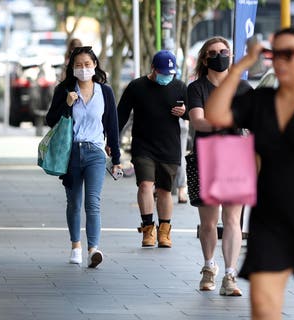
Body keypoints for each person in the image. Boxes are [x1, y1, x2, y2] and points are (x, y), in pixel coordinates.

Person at [205, 27, 294, 319]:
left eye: (289, 54)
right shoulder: (262, 100)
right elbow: (215, 115)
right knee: (264, 310)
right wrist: (241, 65)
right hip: (271, 221)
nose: (280, 61)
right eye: (274, 54)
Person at [187, 36, 252, 296]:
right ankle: (208, 267)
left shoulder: (244, 88)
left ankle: (229, 275)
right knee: (209, 222)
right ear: (205, 58)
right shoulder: (197, 88)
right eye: (213, 52)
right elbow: (198, 121)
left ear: (231, 55)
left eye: (224, 51)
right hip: (208, 157)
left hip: (238, 157)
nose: (219, 56)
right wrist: (227, 121)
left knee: (233, 220)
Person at [45, 46, 122, 267]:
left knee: (93, 202)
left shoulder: (104, 91)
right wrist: (67, 105)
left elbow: (112, 126)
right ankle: (76, 246)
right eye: (78, 65)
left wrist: (116, 157)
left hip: (96, 153)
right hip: (71, 152)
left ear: (95, 65)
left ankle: (93, 249)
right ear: (72, 67)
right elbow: (51, 120)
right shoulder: (65, 90)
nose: (83, 69)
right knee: (74, 202)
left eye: (87, 64)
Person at [117, 50, 188, 248]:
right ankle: (148, 229)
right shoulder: (136, 87)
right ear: (153, 69)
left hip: (169, 146)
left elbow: (194, 113)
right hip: (143, 146)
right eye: (163, 72)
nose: (167, 76)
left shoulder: (180, 87)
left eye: (171, 73)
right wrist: (111, 139)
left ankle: (164, 231)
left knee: (165, 190)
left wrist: (185, 112)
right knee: (145, 185)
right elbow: (120, 114)